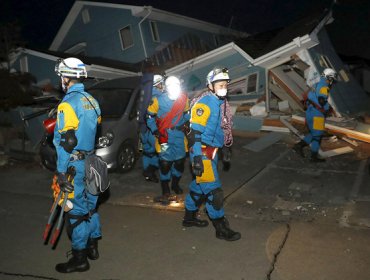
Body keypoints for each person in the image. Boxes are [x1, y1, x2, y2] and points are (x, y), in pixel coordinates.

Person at [53, 57, 102, 273]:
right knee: (91, 206)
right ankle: (93, 246)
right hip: (93, 161)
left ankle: (80, 258)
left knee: (75, 212)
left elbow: (68, 141)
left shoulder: (67, 104)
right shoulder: (92, 100)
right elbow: (94, 129)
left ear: (65, 77)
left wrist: (61, 172)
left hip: (75, 165)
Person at [183, 67, 241, 241]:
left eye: (225, 84)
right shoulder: (205, 103)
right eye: (220, 84)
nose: (224, 87)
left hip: (212, 151)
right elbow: (195, 134)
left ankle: (189, 217)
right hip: (202, 152)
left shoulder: (221, 102)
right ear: (210, 86)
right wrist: (197, 159)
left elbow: (222, 127)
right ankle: (221, 228)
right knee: (214, 193)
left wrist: (224, 147)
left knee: (199, 188)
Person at [146, 75, 190, 204]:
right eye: (170, 86)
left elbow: (187, 113)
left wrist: (187, 123)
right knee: (165, 164)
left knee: (180, 163)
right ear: (165, 87)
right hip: (164, 137)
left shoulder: (184, 99)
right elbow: (149, 117)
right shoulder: (157, 100)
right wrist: (155, 130)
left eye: (176, 85)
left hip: (179, 137)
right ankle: (165, 189)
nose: (173, 88)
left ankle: (175, 184)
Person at [293, 68, 337, 162]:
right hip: (317, 115)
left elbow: (310, 97)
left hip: (310, 112)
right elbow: (321, 100)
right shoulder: (324, 87)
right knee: (317, 136)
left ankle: (298, 146)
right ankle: (313, 157)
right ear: (329, 78)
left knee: (313, 133)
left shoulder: (315, 84)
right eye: (332, 79)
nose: (332, 81)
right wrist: (327, 108)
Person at [140, 74, 165, 183]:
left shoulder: (144, 95)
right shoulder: (159, 97)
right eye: (162, 83)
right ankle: (150, 171)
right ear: (158, 84)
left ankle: (147, 175)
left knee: (147, 152)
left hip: (143, 129)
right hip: (153, 129)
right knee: (162, 152)